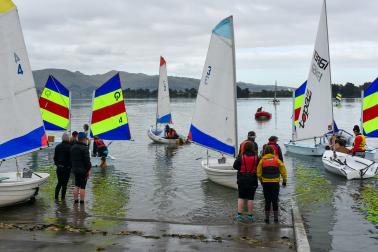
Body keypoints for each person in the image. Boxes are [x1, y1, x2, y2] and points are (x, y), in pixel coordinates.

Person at [257, 145, 287, 224]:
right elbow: (283, 171)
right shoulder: (277, 160)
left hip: (266, 183)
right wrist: (284, 180)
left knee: (267, 201)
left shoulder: (262, 161)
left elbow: (258, 174)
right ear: (273, 152)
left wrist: (261, 181)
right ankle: (276, 219)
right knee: (275, 201)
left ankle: (267, 219)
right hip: (275, 183)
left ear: (265, 152)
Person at [233, 141, 259, 221]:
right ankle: (250, 216)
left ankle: (239, 215)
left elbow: (235, 166)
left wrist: (241, 169)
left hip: (242, 179)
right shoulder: (257, 157)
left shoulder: (241, 157)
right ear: (253, 148)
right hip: (253, 179)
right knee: (250, 198)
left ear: (244, 148)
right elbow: (259, 168)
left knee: (241, 197)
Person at [71, 132, 92, 204]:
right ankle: (82, 202)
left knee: (76, 185)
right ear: (83, 139)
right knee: (82, 187)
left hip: (75, 170)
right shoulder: (84, 148)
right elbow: (87, 161)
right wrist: (89, 170)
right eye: (86, 139)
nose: (86, 140)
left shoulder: (73, 147)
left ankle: (75, 201)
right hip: (83, 171)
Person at [53, 133, 71, 200]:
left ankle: (56, 198)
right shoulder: (70, 147)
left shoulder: (57, 146)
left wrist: (57, 164)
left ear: (62, 139)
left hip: (59, 168)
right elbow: (71, 159)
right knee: (65, 185)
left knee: (59, 183)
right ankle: (63, 199)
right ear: (68, 139)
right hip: (67, 169)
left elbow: (55, 158)